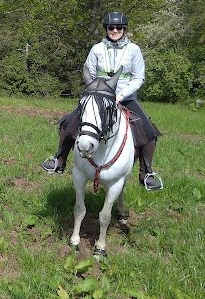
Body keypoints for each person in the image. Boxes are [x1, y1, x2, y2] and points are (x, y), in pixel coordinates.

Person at [40, 11, 164, 191]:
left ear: (124, 29)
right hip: (99, 96)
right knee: (69, 121)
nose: (114, 30)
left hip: (125, 97)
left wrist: (121, 95)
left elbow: (139, 78)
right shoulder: (97, 49)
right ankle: (59, 160)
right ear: (106, 29)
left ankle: (147, 173)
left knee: (148, 130)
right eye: (111, 27)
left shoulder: (134, 50)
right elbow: (88, 72)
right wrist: (94, 92)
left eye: (118, 27)